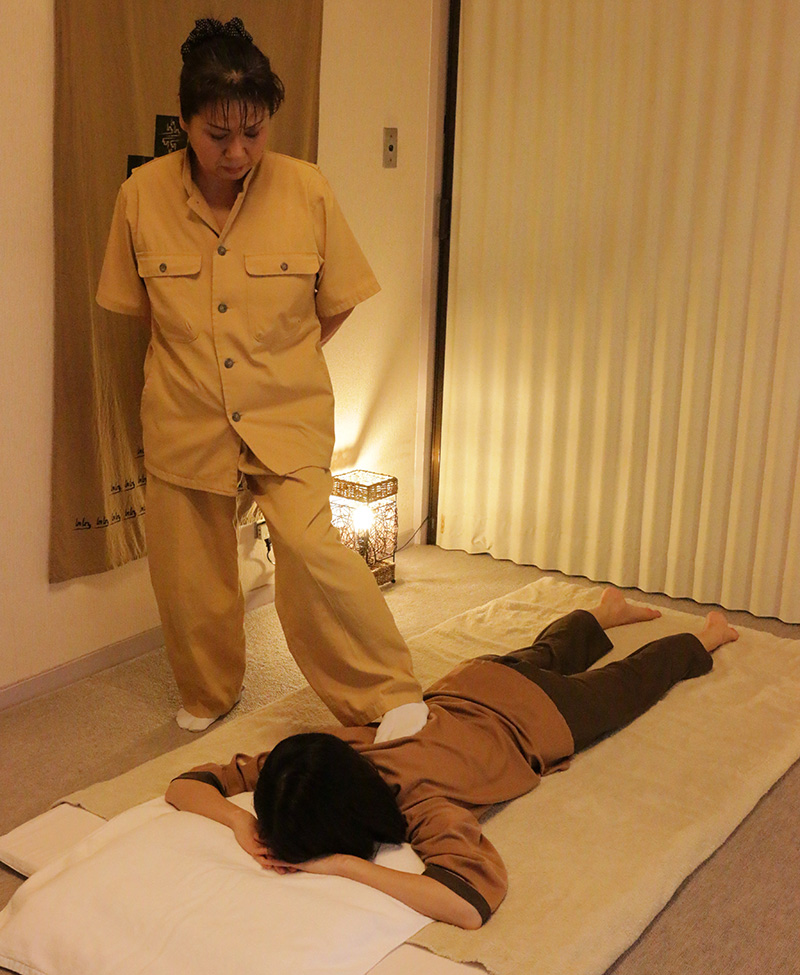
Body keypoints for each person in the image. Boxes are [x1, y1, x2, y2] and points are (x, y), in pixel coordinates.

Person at [96, 17, 427, 739]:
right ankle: (210, 689)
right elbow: (142, 310)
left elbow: (334, 303)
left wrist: (279, 356)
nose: (239, 151)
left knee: (312, 551)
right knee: (190, 572)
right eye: (219, 135)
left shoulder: (306, 190)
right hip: (185, 412)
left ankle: (386, 692)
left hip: (286, 409)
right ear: (186, 122)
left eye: (253, 132)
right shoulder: (141, 196)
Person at [166, 588, 740, 929]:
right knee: (544, 652)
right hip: (471, 683)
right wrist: (240, 821)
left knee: (631, 683)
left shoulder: (423, 805)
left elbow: (470, 903)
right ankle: (603, 612)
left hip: (542, 718)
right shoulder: (338, 751)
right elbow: (184, 784)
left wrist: (341, 865)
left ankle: (709, 636)